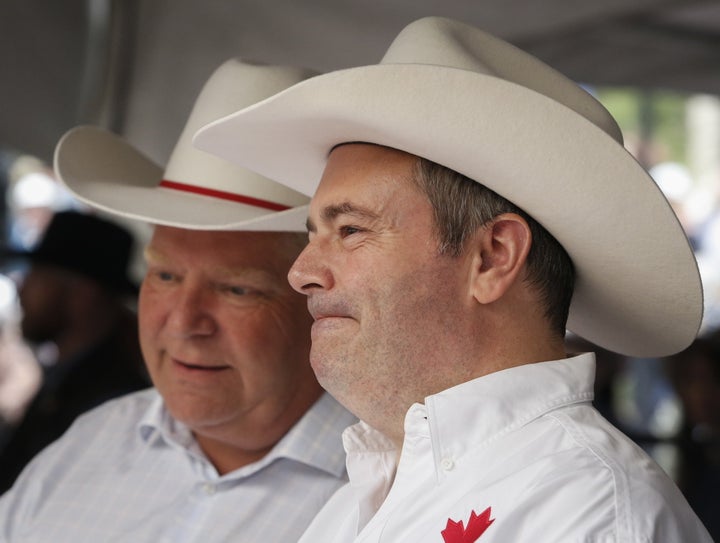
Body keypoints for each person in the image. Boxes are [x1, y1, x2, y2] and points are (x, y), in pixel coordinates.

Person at [195, 17, 712, 542]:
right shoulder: (372, 489)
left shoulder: (592, 512)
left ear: (491, 258)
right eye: (314, 234)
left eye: (350, 230)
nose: (300, 273)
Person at [0, 59, 356, 542]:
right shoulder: (93, 440)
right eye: (165, 275)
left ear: (320, 303)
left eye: (237, 289)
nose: (184, 322)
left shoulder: (389, 486)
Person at [0, 209, 149, 492]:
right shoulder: (69, 378)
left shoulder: (112, 400)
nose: (22, 289)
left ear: (82, 293)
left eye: (38, 276)